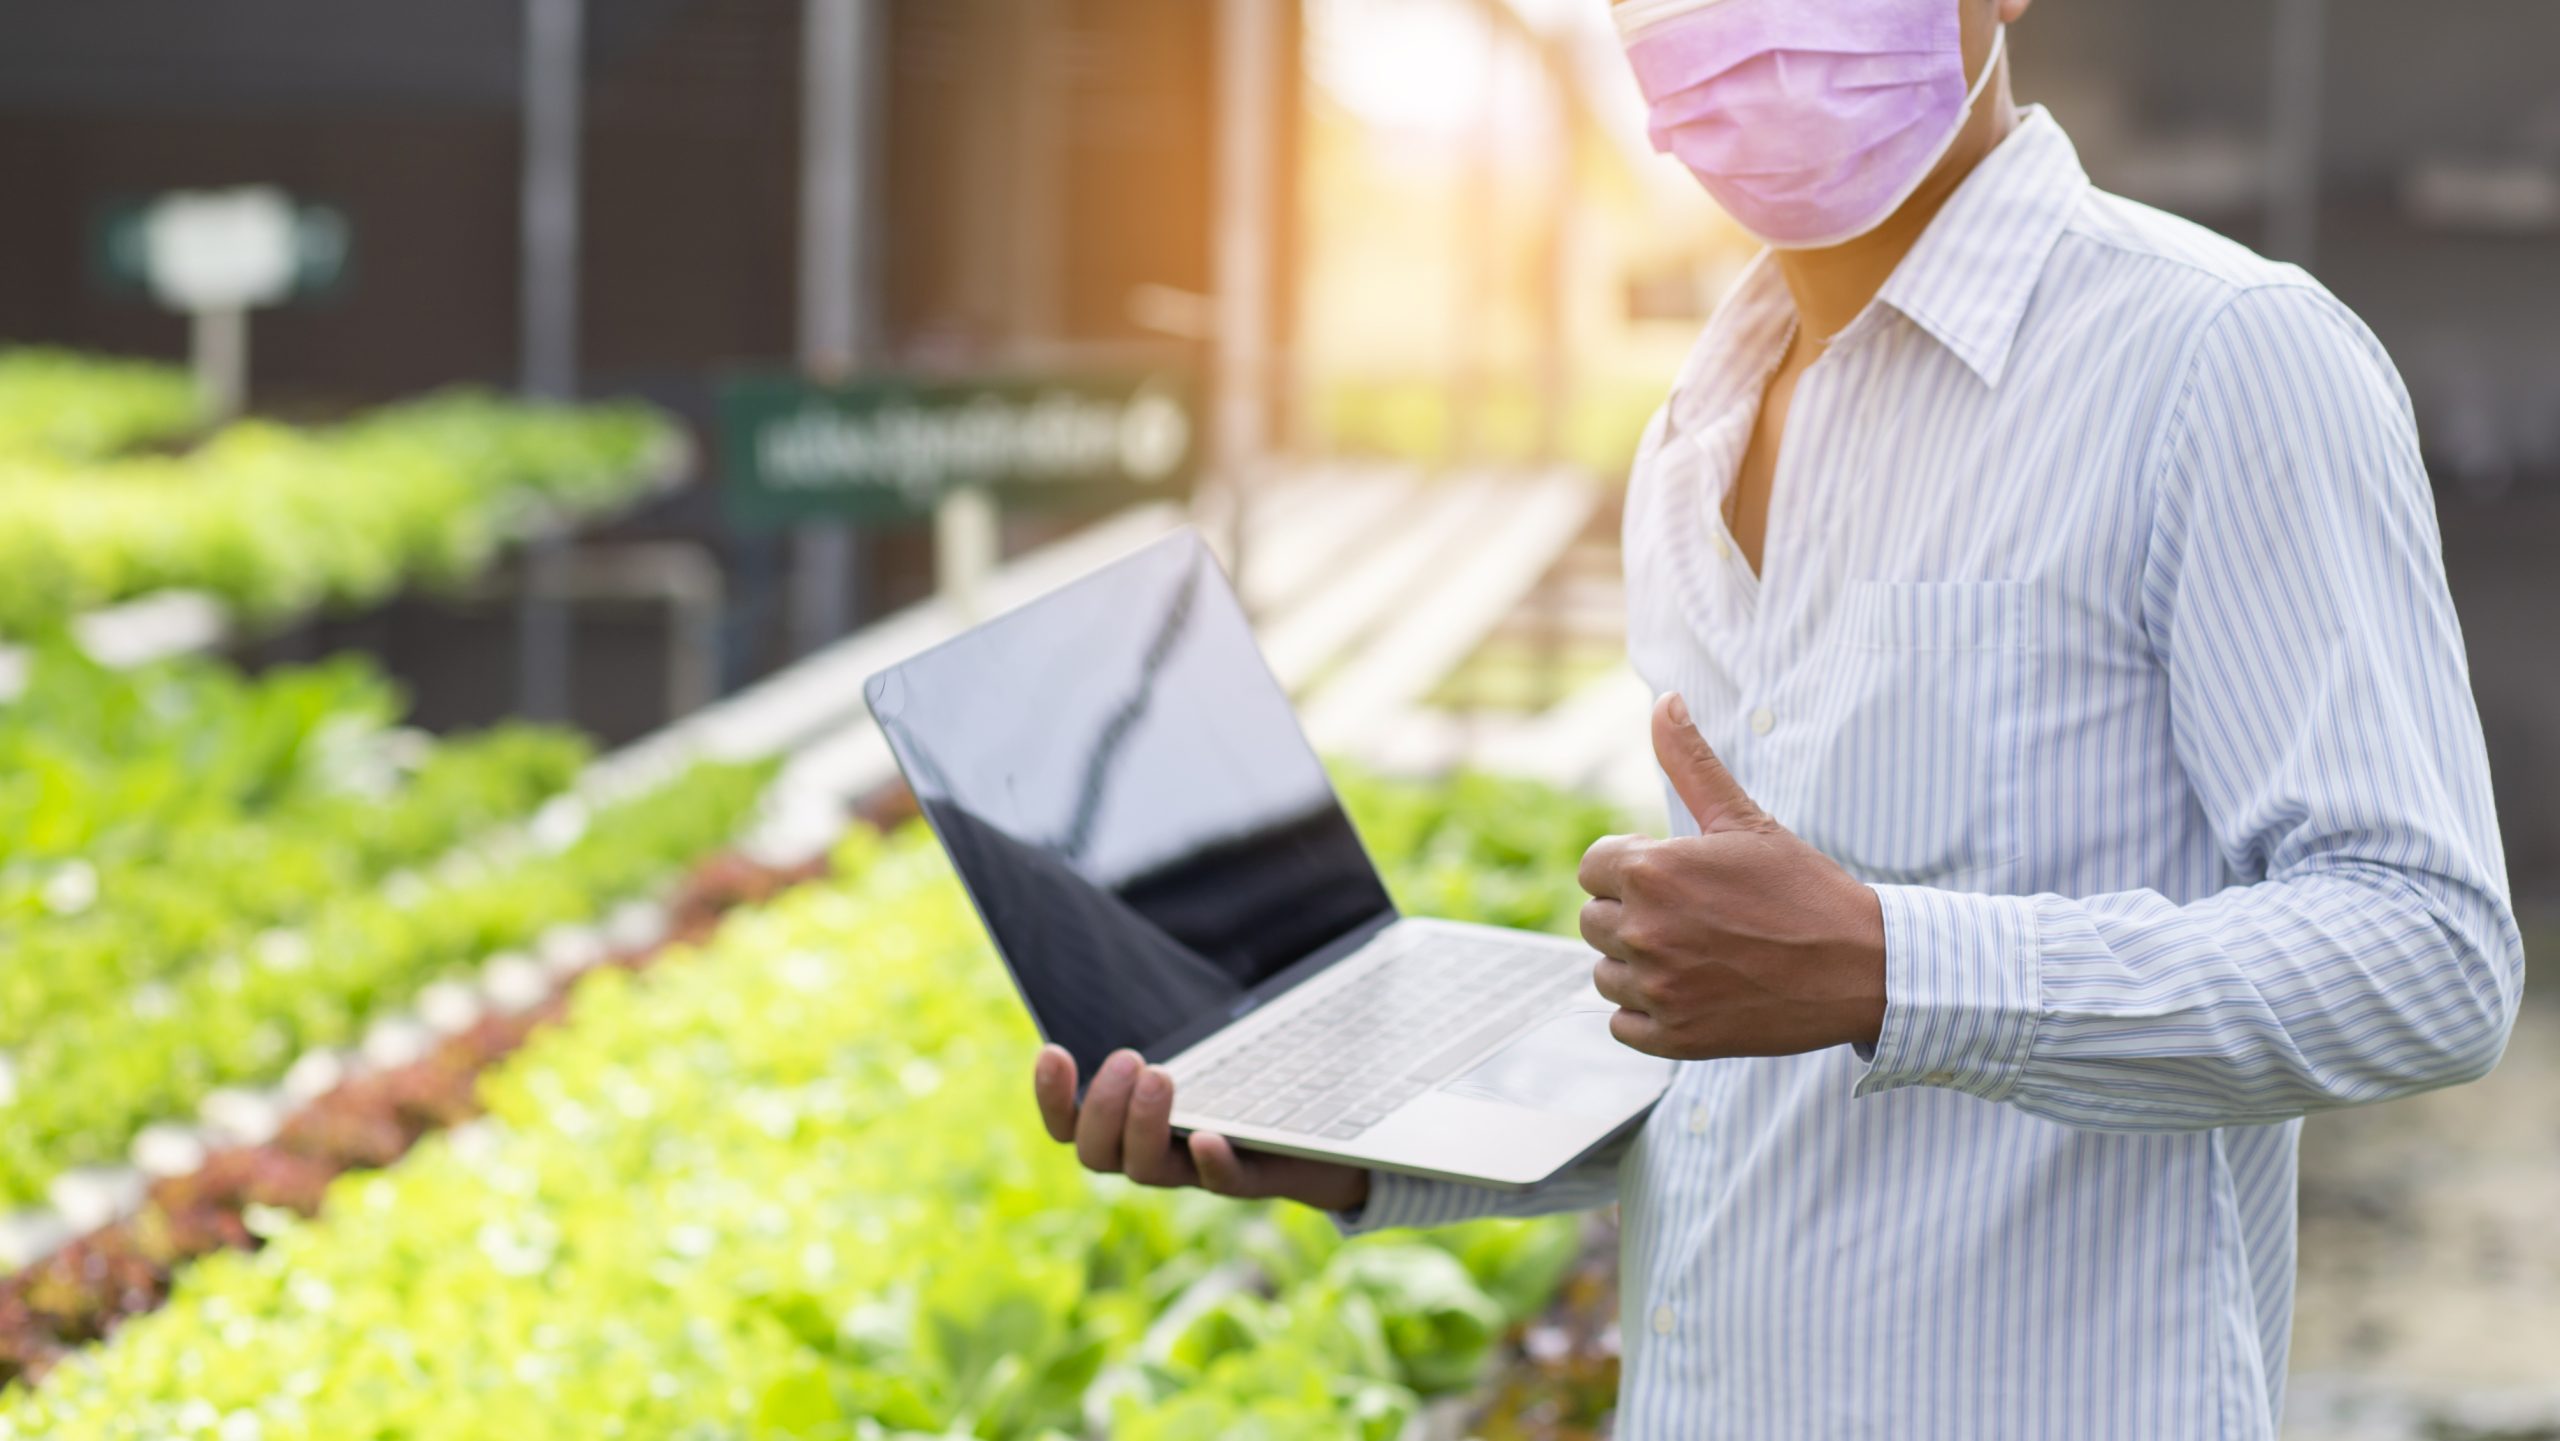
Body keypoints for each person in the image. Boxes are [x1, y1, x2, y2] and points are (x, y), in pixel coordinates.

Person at [1032, 0, 2526, 1434]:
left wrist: (1891, 966)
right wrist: (1363, 1139)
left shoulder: (2221, 359)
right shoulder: (1693, 429)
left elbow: (2430, 950)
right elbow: (1747, 1058)